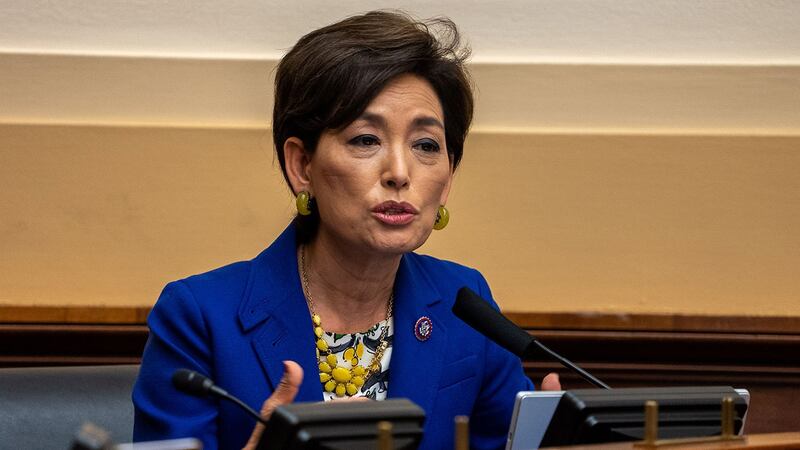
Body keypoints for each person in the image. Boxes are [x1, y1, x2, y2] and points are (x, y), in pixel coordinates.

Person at [132, 10, 560, 450]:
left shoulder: (464, 305)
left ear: (448, 177)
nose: (399, 172)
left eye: (426, 145)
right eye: (366, 140)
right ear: (302, 165)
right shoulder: (200, 317)